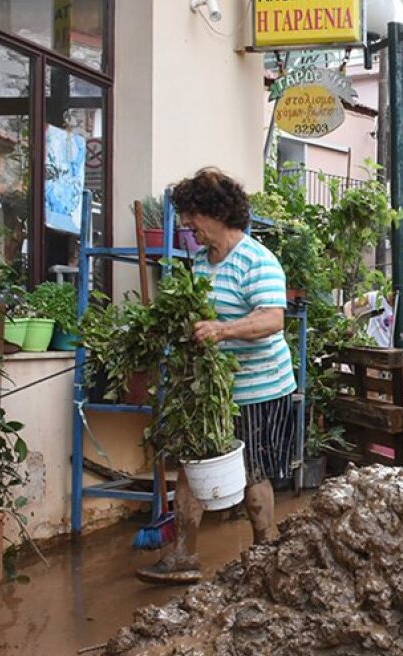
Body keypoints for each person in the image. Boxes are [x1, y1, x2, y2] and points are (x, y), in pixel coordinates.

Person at [136, 168, 296, 585]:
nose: (189, 227)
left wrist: (222, 330)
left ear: (217, 213)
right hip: (213, 392)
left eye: (194, 218)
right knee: (191, 467)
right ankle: (182, 555)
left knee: (251, 473)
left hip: (260, 387)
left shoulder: (257, 260)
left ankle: (265, 556)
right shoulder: (201, 264)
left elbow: (272, 319)